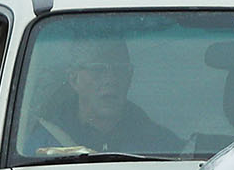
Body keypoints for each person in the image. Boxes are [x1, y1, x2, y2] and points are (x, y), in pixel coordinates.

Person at [22, 36, 182, 157]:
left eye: (120, 70)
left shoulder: (162, 145)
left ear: (130, 77)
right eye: (98, 70)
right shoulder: (42, 145)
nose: (111, 80)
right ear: (73, 79)